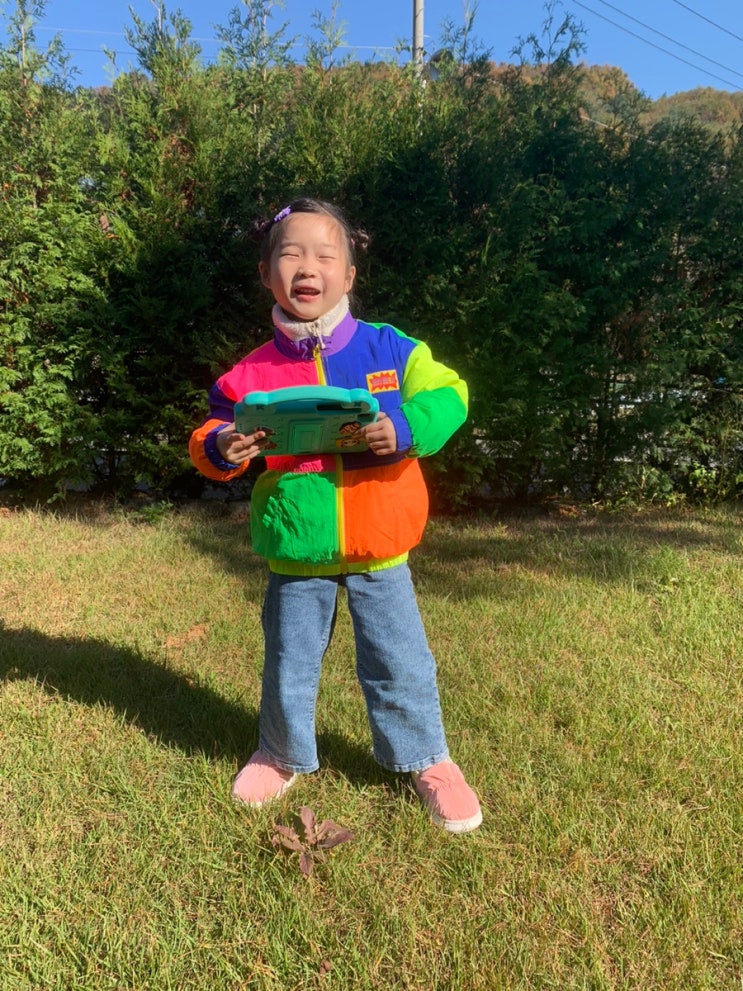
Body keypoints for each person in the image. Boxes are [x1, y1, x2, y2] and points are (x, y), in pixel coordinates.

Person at [189, 198, 482, 833]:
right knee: (289, 659)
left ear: (348, 274)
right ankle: (280, 753)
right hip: (298, 543)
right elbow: (210, 431)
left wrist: (405, 425)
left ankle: (427, 759)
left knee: (399, 659)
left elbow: (451, 393)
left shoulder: (391, 348)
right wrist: (221, 446)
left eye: (325, 255)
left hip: (382, 542)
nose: (308, 267)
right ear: (267, 273)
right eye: (290, 254)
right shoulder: (249, 373)